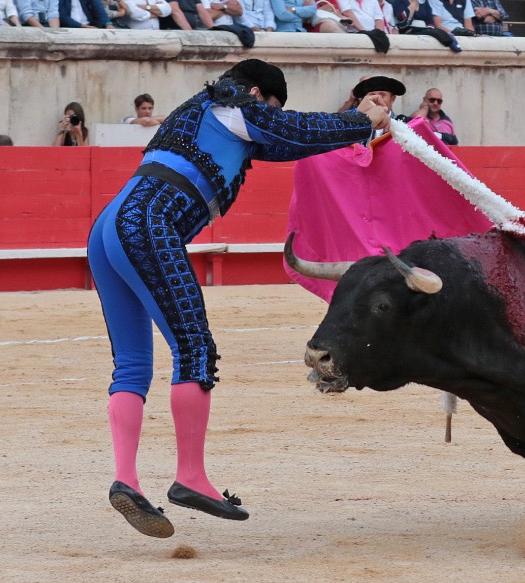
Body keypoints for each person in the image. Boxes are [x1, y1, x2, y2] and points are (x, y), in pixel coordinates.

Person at [87, 59, 389, 539]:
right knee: (195, 349)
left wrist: (355, 121)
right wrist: (360, 121)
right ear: (254, 92)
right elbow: (289, 127)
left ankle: (126, 479)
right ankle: (189, 477)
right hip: (147, 223)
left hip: (109, 227)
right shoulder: (232, 104)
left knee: (131, 364)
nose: (266, 115)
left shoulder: (205, 112)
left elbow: (289, 138)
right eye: (268, 104)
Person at [351, 75, 410, 142]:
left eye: (382, 95)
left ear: (392, 99)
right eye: (372, 95)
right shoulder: (353, 126)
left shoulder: (406, 124)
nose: (377, 99)